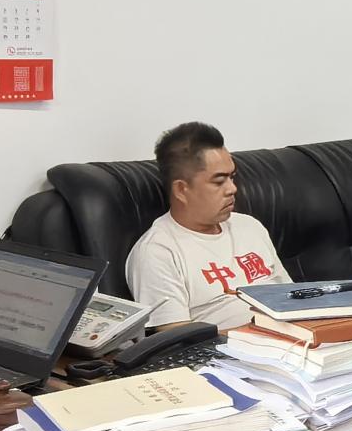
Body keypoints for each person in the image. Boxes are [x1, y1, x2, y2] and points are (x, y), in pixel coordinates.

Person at [125, 121, 291, 330]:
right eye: (219, 181)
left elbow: (294, 298)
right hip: (241, 348)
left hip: (305, 338)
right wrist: (266, 334)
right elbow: (177, 339)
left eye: (232, 177)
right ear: (181, 190)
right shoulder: (158, 251)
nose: (232, 189)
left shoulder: (250, 226)